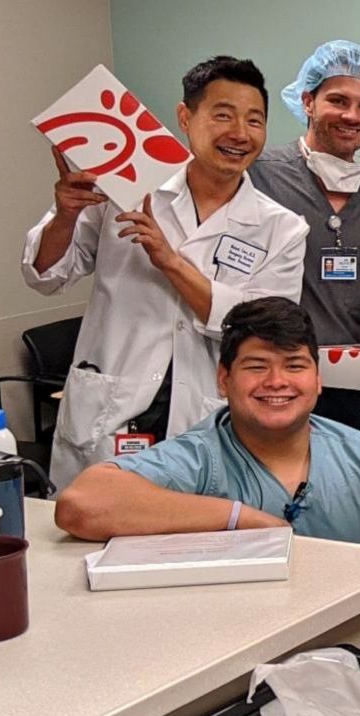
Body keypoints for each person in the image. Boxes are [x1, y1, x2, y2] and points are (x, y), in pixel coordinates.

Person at [54, 297, 360, 595]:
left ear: (318, 379)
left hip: (359, 651)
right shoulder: (202, 457)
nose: (276, 382)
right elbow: (82, 504)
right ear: (223, 380)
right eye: (256, 367)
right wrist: (241, 520)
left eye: (294, 366)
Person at [23, 56, 307, 488]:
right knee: (94, 525)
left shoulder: (281, 227)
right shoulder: (124, 185)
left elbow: (265, 328)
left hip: (205, 410)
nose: (239, 133)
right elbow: (45, 276)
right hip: (112, 405)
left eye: (255, 120)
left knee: (199, 534)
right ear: (185, 117)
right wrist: (64, 214)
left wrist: (171, 261)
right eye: (223, 115)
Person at [249, 41, 360, 430]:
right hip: (271, 376)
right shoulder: (259, 175)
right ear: (307, 101)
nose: (352, 116)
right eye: (338, 100)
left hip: (346, 383)